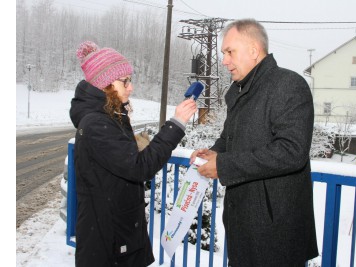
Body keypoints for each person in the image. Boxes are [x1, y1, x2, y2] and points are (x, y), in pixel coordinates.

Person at [190, 19, 318, 266]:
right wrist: (214, 152)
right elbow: (229, 138)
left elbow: (292, 151)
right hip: (243, 224)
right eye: (223, 53)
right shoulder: (238, 91)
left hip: (275, 231)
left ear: (253, 50)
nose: (225, 60)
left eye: (229, 52)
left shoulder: (288, 85)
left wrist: (224, 165)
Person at [70, 41, 197, 267]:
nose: (131, 87)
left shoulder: (109, 115)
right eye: (125, 81)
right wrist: (176, 124)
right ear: (105, 84)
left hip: (115, 233)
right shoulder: (98, 124)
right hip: (108, 241)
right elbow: (139, 168)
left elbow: (121, 160)